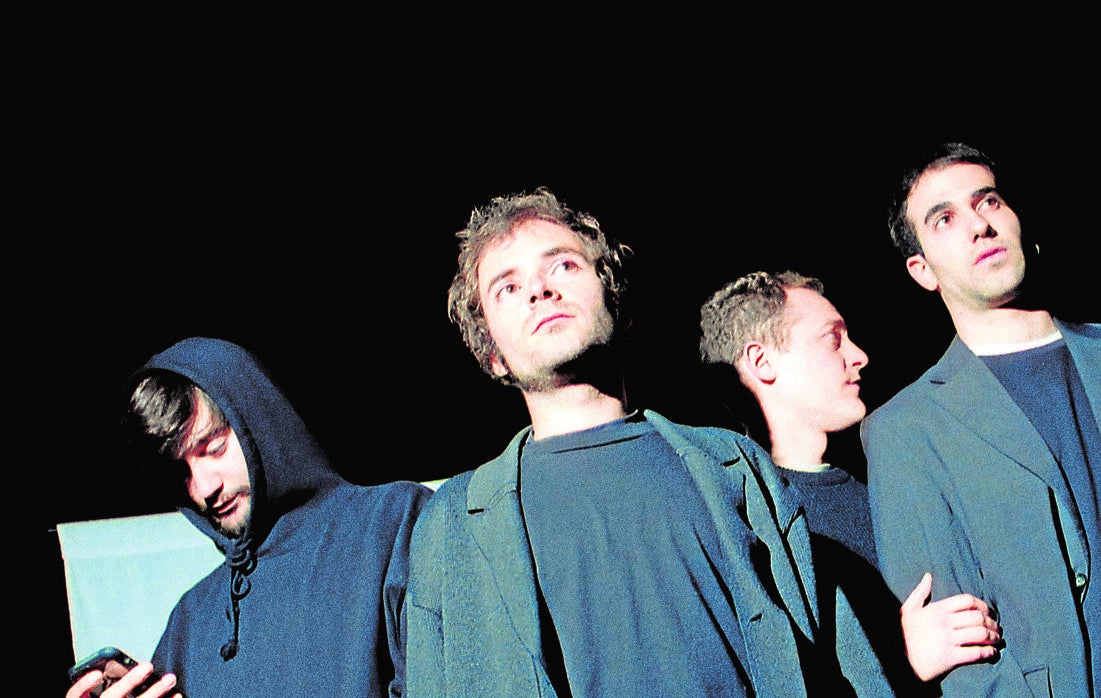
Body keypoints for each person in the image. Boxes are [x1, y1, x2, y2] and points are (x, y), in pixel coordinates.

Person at [863, 142, 1101, 697]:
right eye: (944, 219)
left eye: (988, 202)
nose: (979, 226)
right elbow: (962, 657)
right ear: (922, 271)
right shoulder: (906, 430)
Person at [406, 187, 818, 696]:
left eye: (563, 266)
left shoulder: (733, 465)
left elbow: (838, 659)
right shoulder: (452, 525)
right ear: (492, 353)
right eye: (507, 288)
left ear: (612, 295)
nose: (539, 290)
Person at [67, 337, 433, 698]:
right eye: (183, 472)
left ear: (257, 420)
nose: (204, 488)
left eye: (213, 448)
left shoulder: (392, 524)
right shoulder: (190, 622)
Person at [698, 269, 1002, 695]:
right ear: (762, 362)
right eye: (833, 338)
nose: (859, 356)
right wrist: (900, 662)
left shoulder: (885, 483)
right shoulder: (740, 526)